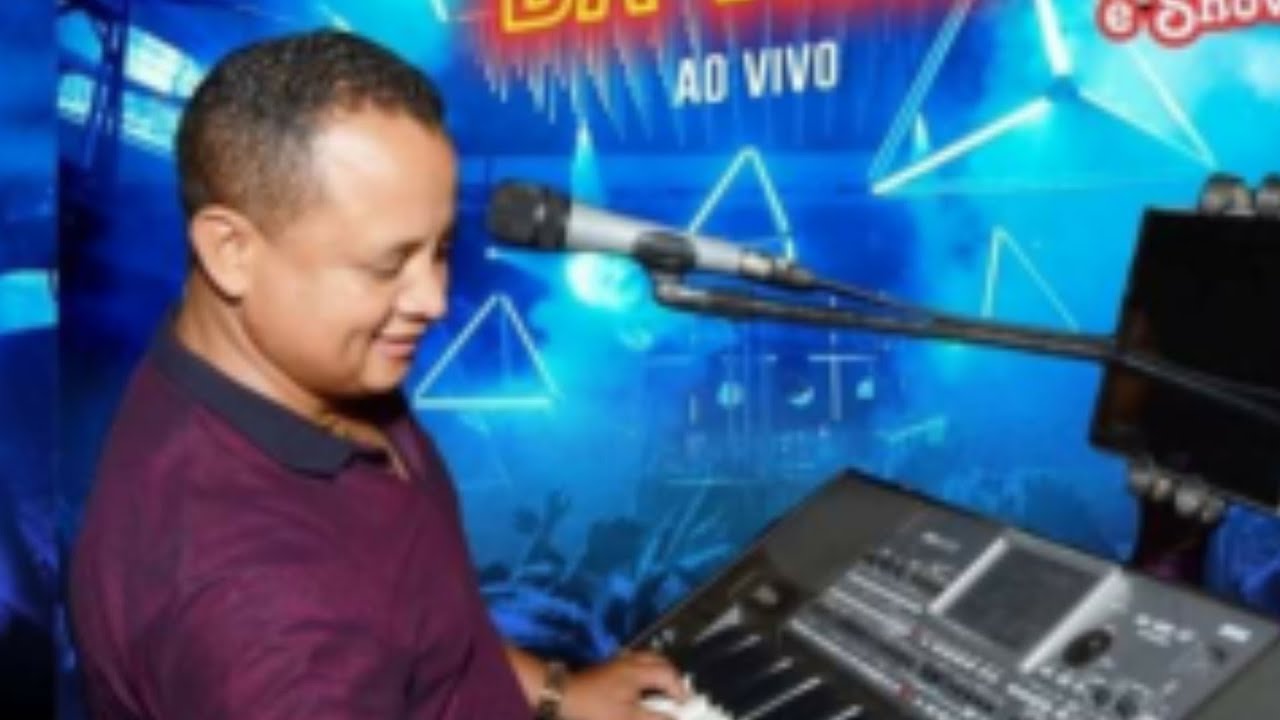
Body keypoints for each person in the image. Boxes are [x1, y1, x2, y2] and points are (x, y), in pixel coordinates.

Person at [69, 30, 686, 720]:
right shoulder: (265, 625)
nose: (432, 299)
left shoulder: (313, 366)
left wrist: (555, 693)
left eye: (441, 249)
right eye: (386, 265)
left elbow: (427, 627)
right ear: (231, 250)